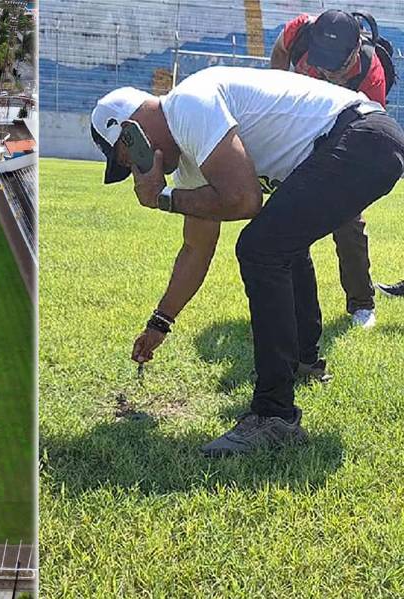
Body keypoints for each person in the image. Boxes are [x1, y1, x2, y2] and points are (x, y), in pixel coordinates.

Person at [90, 66, 404, 457]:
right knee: (280, 241)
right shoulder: (189, 154)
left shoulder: (187, 106)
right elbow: (196, 249)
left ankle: (275, 416)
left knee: (260, 248)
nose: (135, 169)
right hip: (361, 140)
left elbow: (243, 200)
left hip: (361, 138)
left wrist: (161, 198)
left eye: (127, 158)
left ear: (130, 133)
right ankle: (304, 362)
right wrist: (160, 322)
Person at [270, 9, 392, 328]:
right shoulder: (301, 31)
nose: (325, 70)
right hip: (295, 132)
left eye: (335, 64)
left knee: (349, 223)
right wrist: (278, 86)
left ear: (354, 50)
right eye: (321, 59)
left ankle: (362, 305)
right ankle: (286, 304)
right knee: (280, 218)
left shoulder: (372, 76)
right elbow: (281, 48)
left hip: (344, 141)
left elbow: (369, 135)